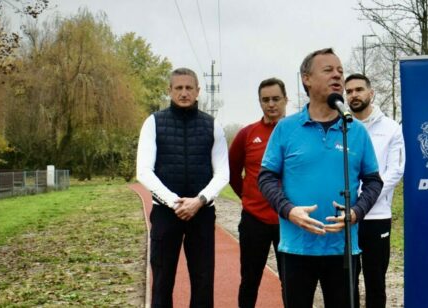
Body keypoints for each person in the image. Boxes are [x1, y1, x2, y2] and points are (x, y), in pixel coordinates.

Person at [258, 48, 383, 308]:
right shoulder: (286, 128)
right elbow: (267, 177)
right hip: (296, 248)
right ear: (307, 78)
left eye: (340, 71)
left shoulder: (355, 130)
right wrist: (288, 210)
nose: (337, 76)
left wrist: (356, 212)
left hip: (343, 250)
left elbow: (373, 181)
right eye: (328, 70)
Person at [136, 67, 229, 308]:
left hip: (202, 212)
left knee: (203, 281)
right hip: (167, 213)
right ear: (169, 91)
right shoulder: (153, 123)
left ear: (198, 91)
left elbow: (222, 173)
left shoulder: (213, 126)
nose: (184, 93)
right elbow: (144, 171)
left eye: (189, 88)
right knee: (162, 280)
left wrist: (199, 200)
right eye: (178, 88)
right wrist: (174, 201)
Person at [344, 73, 405, 308]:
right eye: (349, 91)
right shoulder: (342, 128)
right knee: (347, 283)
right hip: (346, 218)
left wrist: (363, 201)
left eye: (359, 89)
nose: (354, 95)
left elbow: (395, 171)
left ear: (371, 93)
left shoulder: (391, 128)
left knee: (375, 282)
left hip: (377, 216)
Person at [228, 77, 288, 308]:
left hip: (288, 221)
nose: (271, 104)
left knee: (291, 281)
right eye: (265, 100)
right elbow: (232, 171)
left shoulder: (296, 131)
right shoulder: (247, 134)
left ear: (285, 99)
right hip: (254, 220)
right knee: (250, 279)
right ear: (259, 102)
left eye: (275, 99)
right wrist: (248, 196)